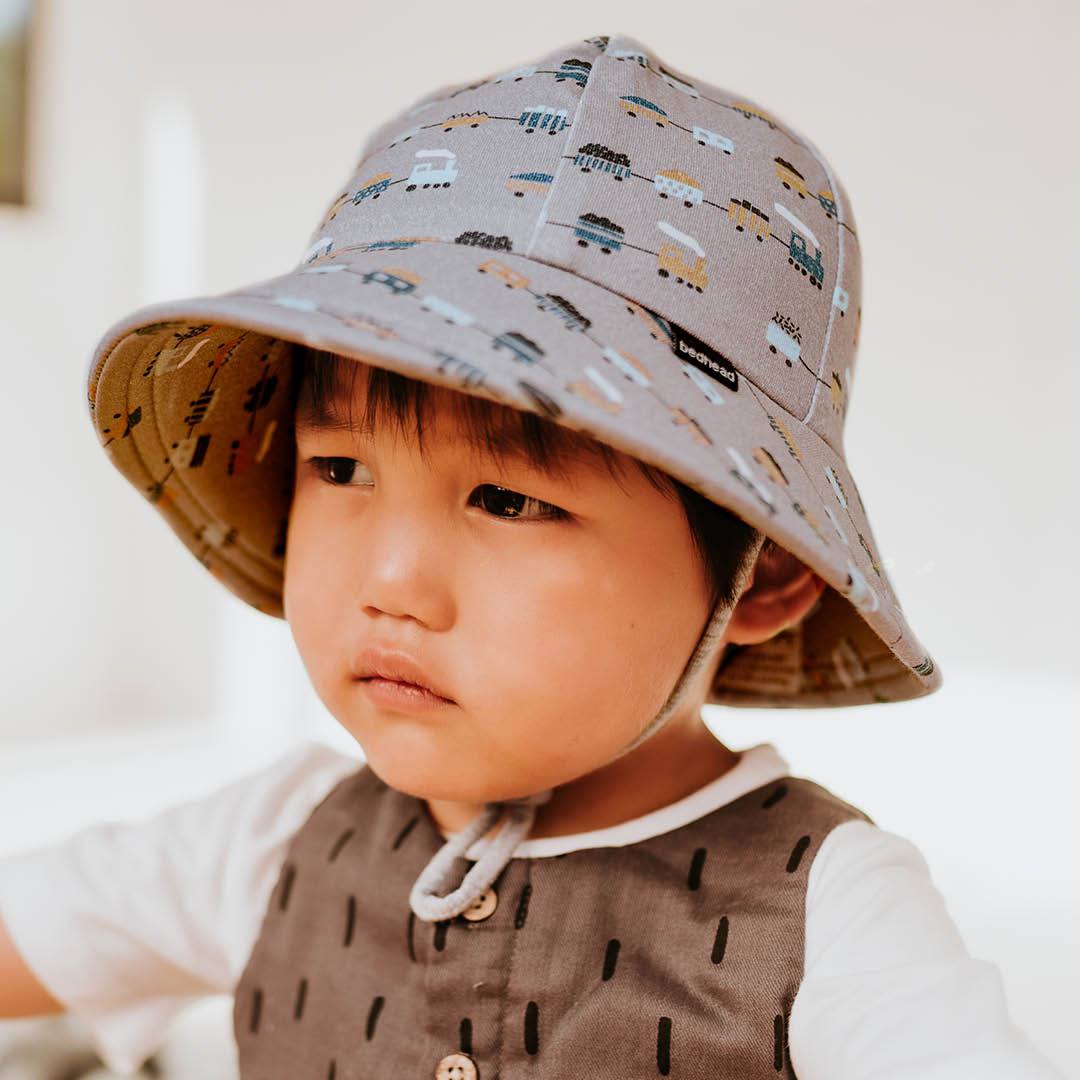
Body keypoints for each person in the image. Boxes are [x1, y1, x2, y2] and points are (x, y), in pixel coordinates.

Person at [0, 30, 1066, 1080]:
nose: (390, 583)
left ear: (768, 572)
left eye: (507, 499)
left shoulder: (827, 917)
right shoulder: (274, 845)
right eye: (341, 468)